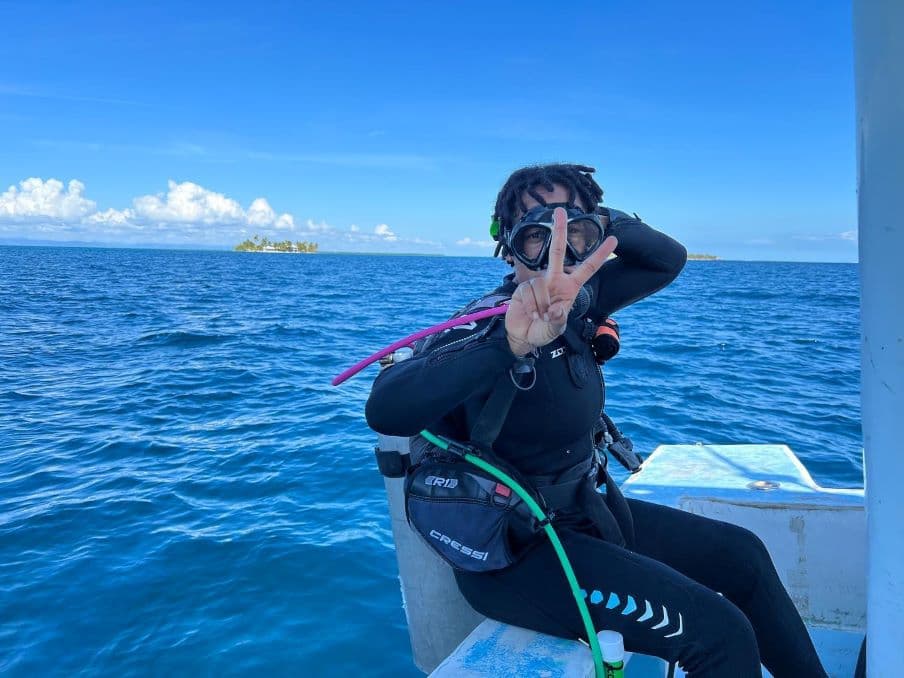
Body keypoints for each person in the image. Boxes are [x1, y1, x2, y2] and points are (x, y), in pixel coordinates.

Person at [365, 164, 827, 677]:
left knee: (744, 556)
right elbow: (386, 406)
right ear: (508, 245)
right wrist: (508, 343)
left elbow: (667, 259)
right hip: (516, 554)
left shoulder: (584, 301)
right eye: (535, 233)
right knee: (721, 634)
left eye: (570, 230)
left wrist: (600, 220)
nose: (553, 251)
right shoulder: (486, 322)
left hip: (586, 514)